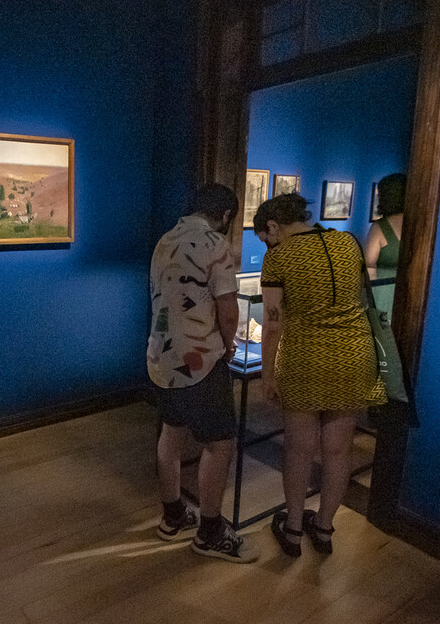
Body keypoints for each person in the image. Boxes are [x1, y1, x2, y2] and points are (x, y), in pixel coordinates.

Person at [252, 193, 385, 557]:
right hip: (354, 356)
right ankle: (324, 529)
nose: (267, 244)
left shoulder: (279, 257)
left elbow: (273, 322)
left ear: (274, 225)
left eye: (265, 237)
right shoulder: (347, 242)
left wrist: (267, 373)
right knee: (338, 450)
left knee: (298, 450)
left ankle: (294, 529)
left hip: (306, 358)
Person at [147, 183, 259, 563]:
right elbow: (229, 311)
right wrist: (228, 345)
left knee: (171, 432)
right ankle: (210, 532)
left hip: (160, 357)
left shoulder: (165, 239)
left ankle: (173, 515)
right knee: (220, 443)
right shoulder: (215, 244)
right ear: (226, 215)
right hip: (199, 360)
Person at [363, 173, 406, 322]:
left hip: (382, 294)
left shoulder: (379, 228)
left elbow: (368, 264)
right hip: (409, 294)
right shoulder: (420, 224)